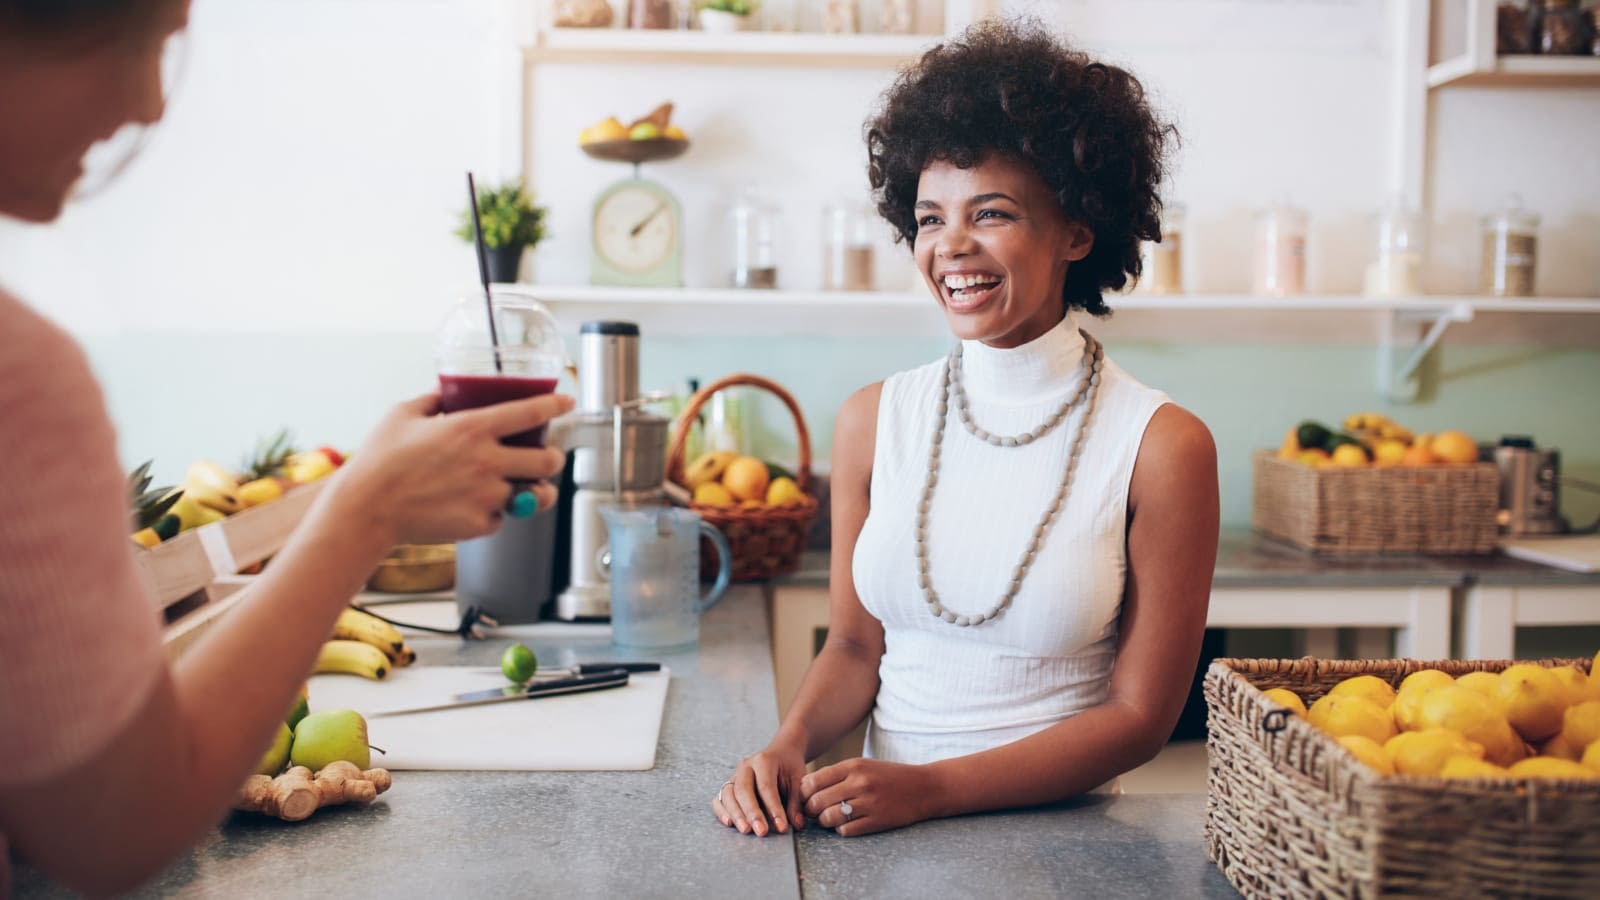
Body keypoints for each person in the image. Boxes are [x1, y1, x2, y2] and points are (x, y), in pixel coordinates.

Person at [0, 2, 571, 894]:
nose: (152, 104)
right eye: (146, 43)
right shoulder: (20, 377)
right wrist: (364, 511)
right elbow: (116, 828)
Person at [713, 19, 1219, 838]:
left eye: (991, 213)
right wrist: (788, 745)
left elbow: (1140, 718)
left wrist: (930, 789)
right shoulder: (874, 419)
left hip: (1067, 852)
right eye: (929, 217)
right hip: (882, 836)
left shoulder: (1161, 445)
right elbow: (851, 645)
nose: (951, 247)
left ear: (1077, 232)